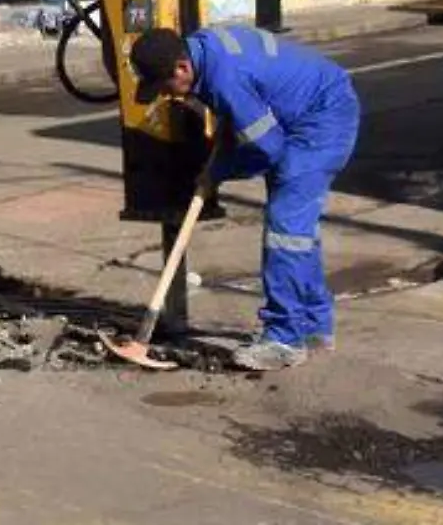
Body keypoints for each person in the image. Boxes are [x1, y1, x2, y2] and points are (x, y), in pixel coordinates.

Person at [129, 24, 360, 372]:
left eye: (165, 87)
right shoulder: (201, 51)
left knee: (286, 231)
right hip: (305, 109)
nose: (168, 96)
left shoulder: (225, 77)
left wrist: (221, 173)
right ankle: (313, 327)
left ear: (181, 68)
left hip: (321, 119)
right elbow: (234, 123)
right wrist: (217, 164)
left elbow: (268, 149)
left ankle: (284, 339)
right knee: (296, 232)